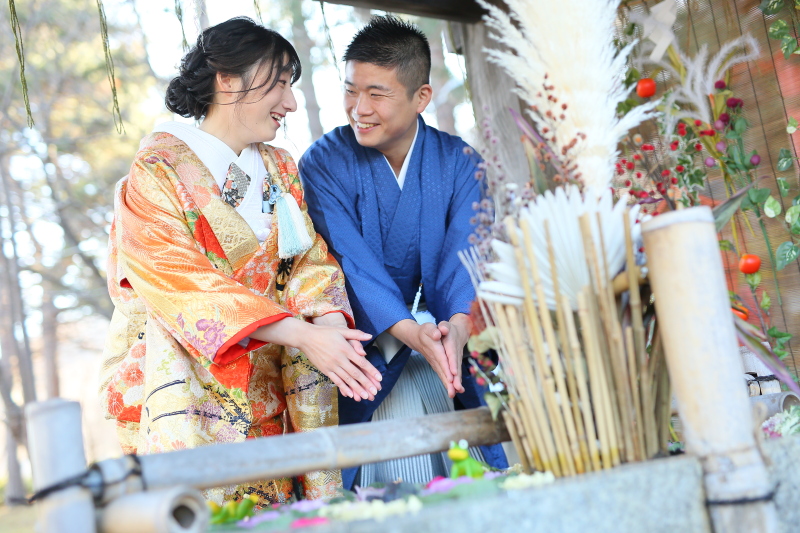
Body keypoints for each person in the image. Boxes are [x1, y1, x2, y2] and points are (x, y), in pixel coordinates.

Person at [99, 17, 382, 506]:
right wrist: (303, 333)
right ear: (226, 79)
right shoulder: (157, 171)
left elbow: (307, 260)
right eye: (277, 84)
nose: (290, 102)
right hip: (190, 391)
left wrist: (331, 326)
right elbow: (180, 283)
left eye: (292, 87)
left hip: (275, 385)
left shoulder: (278, 167)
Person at [299, 15, 507, 489]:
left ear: (421, 97)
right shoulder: (324, 162)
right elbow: (349, 262)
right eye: (351, 90)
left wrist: (455, 326)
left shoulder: (459, 163)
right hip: (368, 353)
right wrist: (410, 331)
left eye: (377, 94)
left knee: (466, 494)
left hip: (442, 347)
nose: (359, 108)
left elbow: (466, 257)